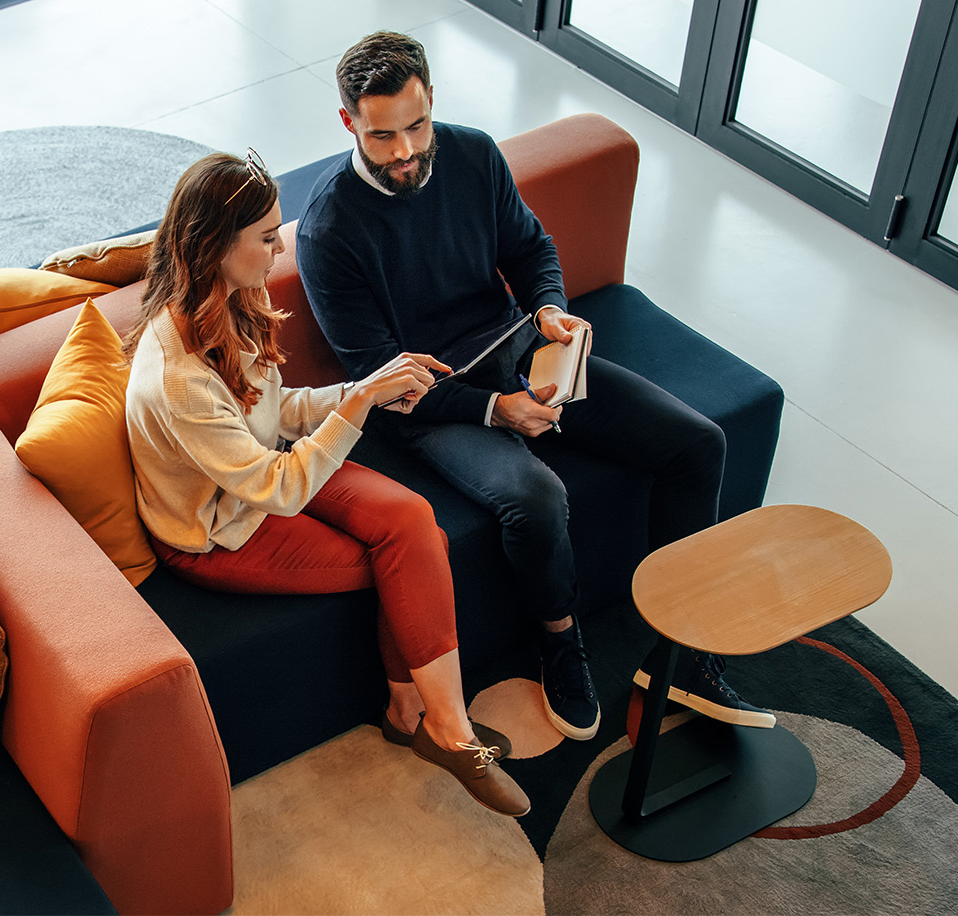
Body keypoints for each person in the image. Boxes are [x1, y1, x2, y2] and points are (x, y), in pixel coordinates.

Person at [296, 31, 771, 742]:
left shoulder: (474, 154)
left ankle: (684, 654)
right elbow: (381, 379)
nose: (405, 152)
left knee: (697, 443)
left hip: (517, 351)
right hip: (427, 404)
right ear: (348, 124)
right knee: (536, 498)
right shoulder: (330, 230)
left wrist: (547, 304)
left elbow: (529, 246)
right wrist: (495, 411)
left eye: (417, 126)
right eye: (383, 135)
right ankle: (560, 644)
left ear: (433, 103)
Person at [124, 150, 529, 817]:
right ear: (216, 246)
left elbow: (274, 412)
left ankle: (414, 715)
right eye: (264, 237)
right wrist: (357, 407)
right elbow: (278, 489)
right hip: (216, 532)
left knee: (413, 522)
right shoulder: (178, 378)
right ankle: (447, 733)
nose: (279, 248)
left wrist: (365, 388)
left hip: (266, 468)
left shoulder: (232, 299)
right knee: (400, 560)